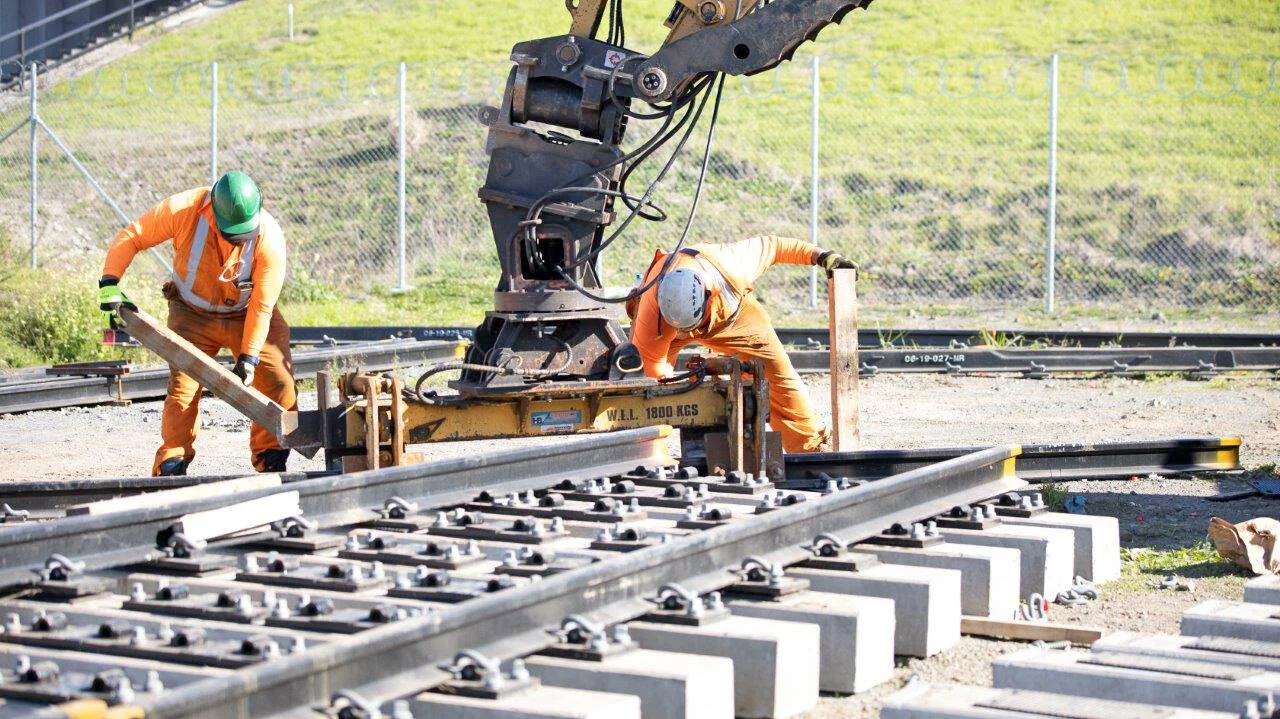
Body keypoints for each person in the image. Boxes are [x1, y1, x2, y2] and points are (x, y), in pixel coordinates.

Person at [97, 172, 295, 476]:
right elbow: (133, 235)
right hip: (191, 314)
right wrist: (110, 282)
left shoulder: (271, 240)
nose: (237, 241)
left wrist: (249, 358)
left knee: (278, 381)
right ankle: (172, 462)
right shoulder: (183, 210)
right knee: (183, 389)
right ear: (213, 213)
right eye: (231, 234)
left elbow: (262, 306)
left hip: (246, 314)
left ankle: (271, 455)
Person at [627, 235, 856, 453]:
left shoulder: (731, 266)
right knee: (649, 391)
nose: (692, 334)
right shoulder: (653, 311)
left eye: (693, 326)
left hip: (735, 319)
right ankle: (647, 453)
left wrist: (823, 256)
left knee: (779, 378)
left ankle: (810, 449)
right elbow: (651, 377)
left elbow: (775, 246)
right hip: (668, 329)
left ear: (710, 292)